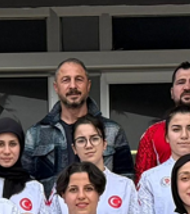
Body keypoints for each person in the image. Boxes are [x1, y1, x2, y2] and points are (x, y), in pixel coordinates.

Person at [23, 58, 134, 193]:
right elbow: (26, 185)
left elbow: (126, 180)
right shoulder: (36, 134)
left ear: (88, 85)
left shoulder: (112, 130)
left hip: (102, 205)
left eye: (79, 79)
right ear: (56, 87)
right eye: (66, 80)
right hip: (52, 206)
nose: (73, 86)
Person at [42, 115, 141, 214]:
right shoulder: (63, 184)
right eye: (81, 140)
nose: (88, 145)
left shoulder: (125, 186)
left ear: (104, 144)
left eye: (94, 139)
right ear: (74, 148)